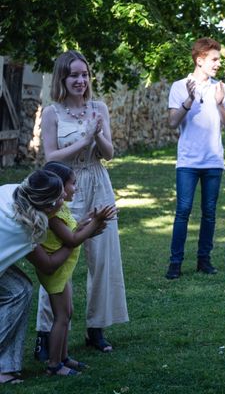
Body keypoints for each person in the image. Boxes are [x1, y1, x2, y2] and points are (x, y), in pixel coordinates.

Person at [38, 50, 128, 354]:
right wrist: (84, 138)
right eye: (74, 75)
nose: (80, 80)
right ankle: (45, 332)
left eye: (84, 74)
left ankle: (96, 328)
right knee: (57, 258)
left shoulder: (99, 107)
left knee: (103, 256)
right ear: (62, 78)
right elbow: (50, 156)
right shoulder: (52, 112)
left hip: (98, 182)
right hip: (63, 187)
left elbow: (109, 153)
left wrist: (98, 135)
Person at [38, 162, 116, 376]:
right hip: (55, 272)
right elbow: (72, 240)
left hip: (63, 270)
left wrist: (88, 221)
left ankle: (63, 357)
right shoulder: (52, 216)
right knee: (61, 317)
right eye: (72, 184)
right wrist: (95, 223)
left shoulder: (60, 208)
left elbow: (73, 229)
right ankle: (54, 365)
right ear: (59, 187)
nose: (76, 188)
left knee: (67, 314)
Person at [165, 38, 225, 279]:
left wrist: (219, 104)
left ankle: (204, 260)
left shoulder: (220, 88)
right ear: (200, 59)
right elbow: (173, 122)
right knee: (183, 211)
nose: (218, 64)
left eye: (218, 59)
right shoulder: (179, 86)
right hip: (188, 162)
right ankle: (175, 263)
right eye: (214, 59)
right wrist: (189, 99)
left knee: (209, 212)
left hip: (213, 160)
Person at [0, 171, 75, 384]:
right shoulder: (26, 226)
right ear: (49, 206)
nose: (65, 199)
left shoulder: (16, 190)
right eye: (60, 197)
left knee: (21, 289)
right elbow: (48, 266)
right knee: (17, 292)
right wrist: (75, 239)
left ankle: (6, 367)